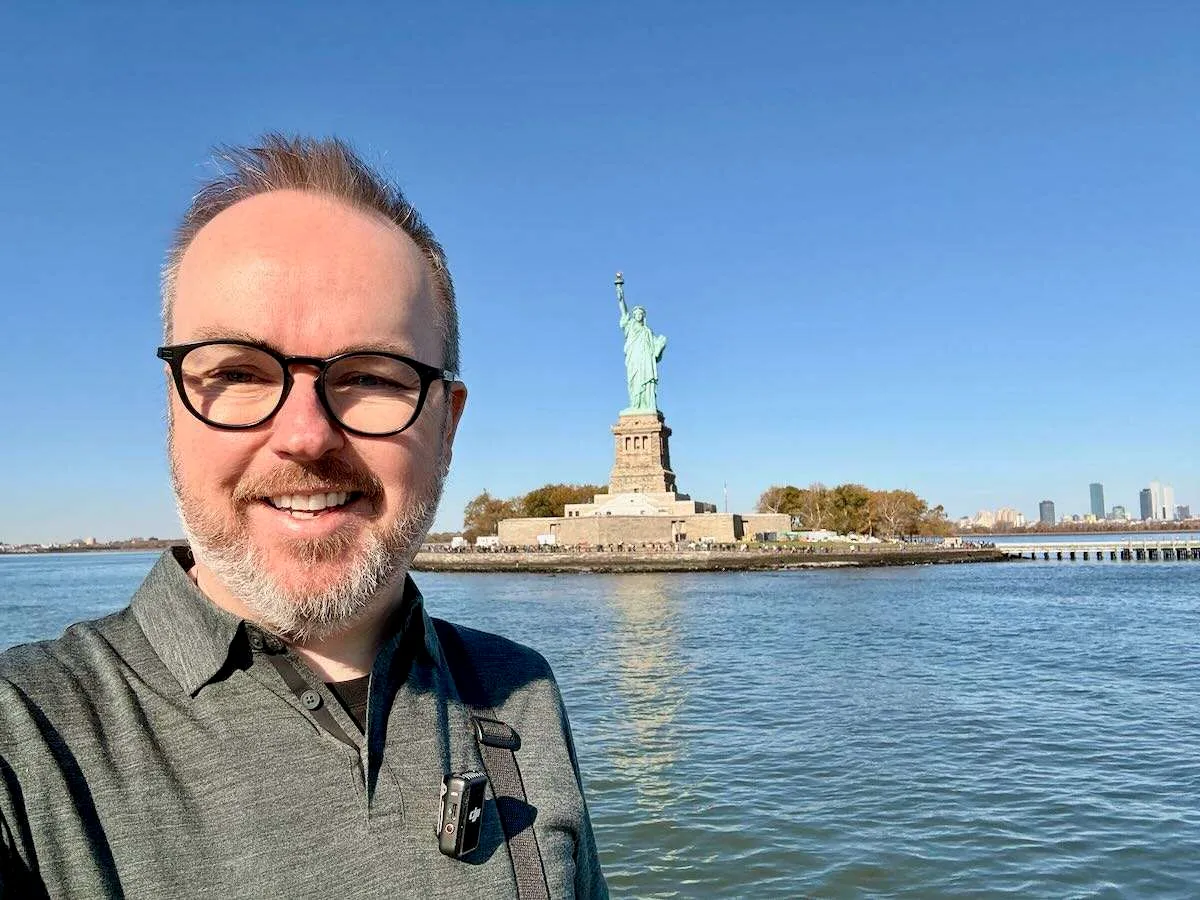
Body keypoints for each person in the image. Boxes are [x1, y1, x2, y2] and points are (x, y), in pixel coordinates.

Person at [0, 135, 608, 898]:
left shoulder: (519, 691)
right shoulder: (23, 745)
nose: (305, 434)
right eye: (239, 372)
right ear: (173, 408)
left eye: (369, 377)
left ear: (447, 425)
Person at [614, 274, 667, 413]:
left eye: (640, 314)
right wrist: (619, 289)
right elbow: (623, 309)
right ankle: (635, 405)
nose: (638, 315)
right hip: (634, 359)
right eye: (636, 313)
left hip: (646, 361)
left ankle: (648, 405)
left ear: (643, 316)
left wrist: (661, 344)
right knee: (634, 381)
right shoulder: (630, 325)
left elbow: (656, 353)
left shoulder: (648, 331)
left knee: (647, 381)